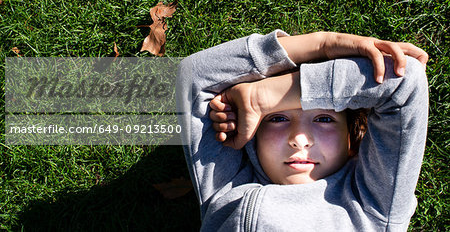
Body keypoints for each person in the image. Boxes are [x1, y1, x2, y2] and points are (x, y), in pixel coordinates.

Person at [176, 30, 429, 231]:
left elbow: (404, 80)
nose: (299, 139)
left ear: (352, 139)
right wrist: (324, 43)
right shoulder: (227, 187)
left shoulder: (373, 206)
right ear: (254, 135)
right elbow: (194, 75)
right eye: (276, 118)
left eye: (324, 119)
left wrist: (262, 96)